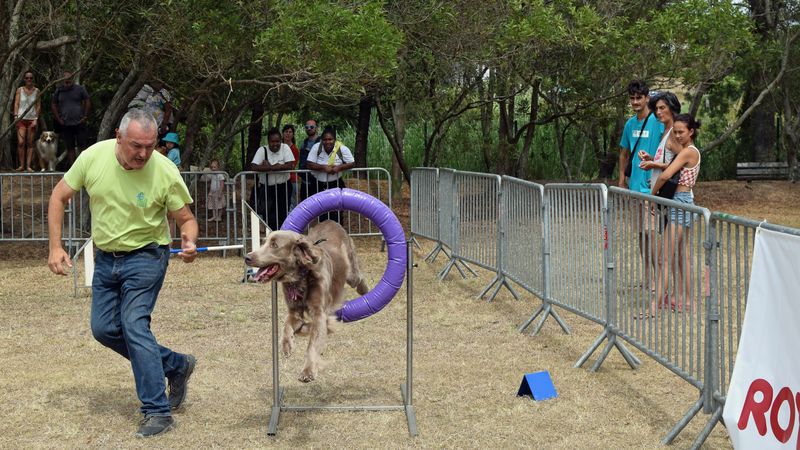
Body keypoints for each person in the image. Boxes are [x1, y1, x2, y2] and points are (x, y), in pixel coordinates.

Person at [46, 109, 198, 438]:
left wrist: (189, 238)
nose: (143, 153)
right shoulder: (93, 158)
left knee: (133, 324)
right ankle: (174, 365)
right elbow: (59, 196)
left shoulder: (164, 170)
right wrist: (55, 247)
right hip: (106, 258)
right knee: (103, 329)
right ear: (118, 136)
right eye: (136, 146)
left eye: (150, 145)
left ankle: (157, 412)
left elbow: (186, 218)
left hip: (147, 255)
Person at [645, 114, 701, 315]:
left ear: (691, 132)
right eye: (675, 131)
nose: (676, 136)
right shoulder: (688, 151)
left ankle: (655, 306)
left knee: (664, 259)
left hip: (680, 203)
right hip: (683, 202)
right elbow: (670, 148)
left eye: (681, 132)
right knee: (682, 256)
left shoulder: (688, 153)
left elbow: (667, 174)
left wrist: (652, 196)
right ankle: (688, 302)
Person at [618, 80, 665, 293]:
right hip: (634, 187)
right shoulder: (629, 124)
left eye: (639, 97)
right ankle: (647, 277)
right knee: (641, 235)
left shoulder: (657, 121)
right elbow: (624, 152)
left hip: (651, 188)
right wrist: (621, 179)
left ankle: (659, 278)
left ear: (647, 98)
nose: (636, 102)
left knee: (651, 233)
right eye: (632, 98)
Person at [306, 126, 355, 224]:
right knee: (321, 212)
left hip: (336, 184)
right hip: (319, 185)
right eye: (325, 139)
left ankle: (338, 235)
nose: (327, 142)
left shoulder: (342, 149)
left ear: (335, 140)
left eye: (330, 139)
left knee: (337, 212)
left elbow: (352, 163)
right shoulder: (316, 147)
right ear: (321, 140)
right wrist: (323, 168)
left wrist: (338, 168)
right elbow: (309, 164)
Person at [250, 127, 295, 230]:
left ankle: (281, 235)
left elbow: (290, 165)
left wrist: (271, 167)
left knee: (283, 214)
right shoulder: (262, 150)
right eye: (272, 141)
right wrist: (272, 167)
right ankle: (271, 236)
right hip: (267, 189)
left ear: (281, 140)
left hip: (283, 187)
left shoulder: (285, 148)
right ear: (268, 141)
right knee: (268, 215)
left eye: (277, 141)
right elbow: (253, 166)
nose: (275, 144)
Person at [51, 70, 91, 168]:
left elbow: (87, 101)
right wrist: (58, 119)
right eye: (65, 79)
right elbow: (53, 104)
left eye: (69, 79)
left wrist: (85, 116)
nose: (67, 81)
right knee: (70, 147)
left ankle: (84, 167)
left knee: (82, 146)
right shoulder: (59, 90)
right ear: (62, 80)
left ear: (72, 79)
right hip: (65, 123)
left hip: (79, 122)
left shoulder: (79, 89)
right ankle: (73, 168)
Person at [12, 71, 41, 172]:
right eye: (27, 78)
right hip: (21, 119)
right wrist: (16, 116)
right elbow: (16, 104)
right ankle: (21, 166)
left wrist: (36, 119)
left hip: (32, 119)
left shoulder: (37, 91)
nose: (29, 80)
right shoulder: (20, 90)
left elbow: (38, 106)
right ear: (24, 79)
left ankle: (28, 166)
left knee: (30, 143)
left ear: (33, 79)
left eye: (31, 78)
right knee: (20, 142)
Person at [298, 119, 320, 201]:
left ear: (316, 128)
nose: (309, 129)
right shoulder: (303, 143)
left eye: (311, 127)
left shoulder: (322, 142)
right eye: (307, 127)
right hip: (305, 182)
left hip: (318, 182)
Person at [282, 124, 300, 211]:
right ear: (283, 133)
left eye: (290, 132)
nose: (288, 134)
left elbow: (291, 165)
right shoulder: (278, 146)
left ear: (293, 134)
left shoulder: (294, 149)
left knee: (292, 203)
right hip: (279, 178)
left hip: (291, 179)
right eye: (286, 132)